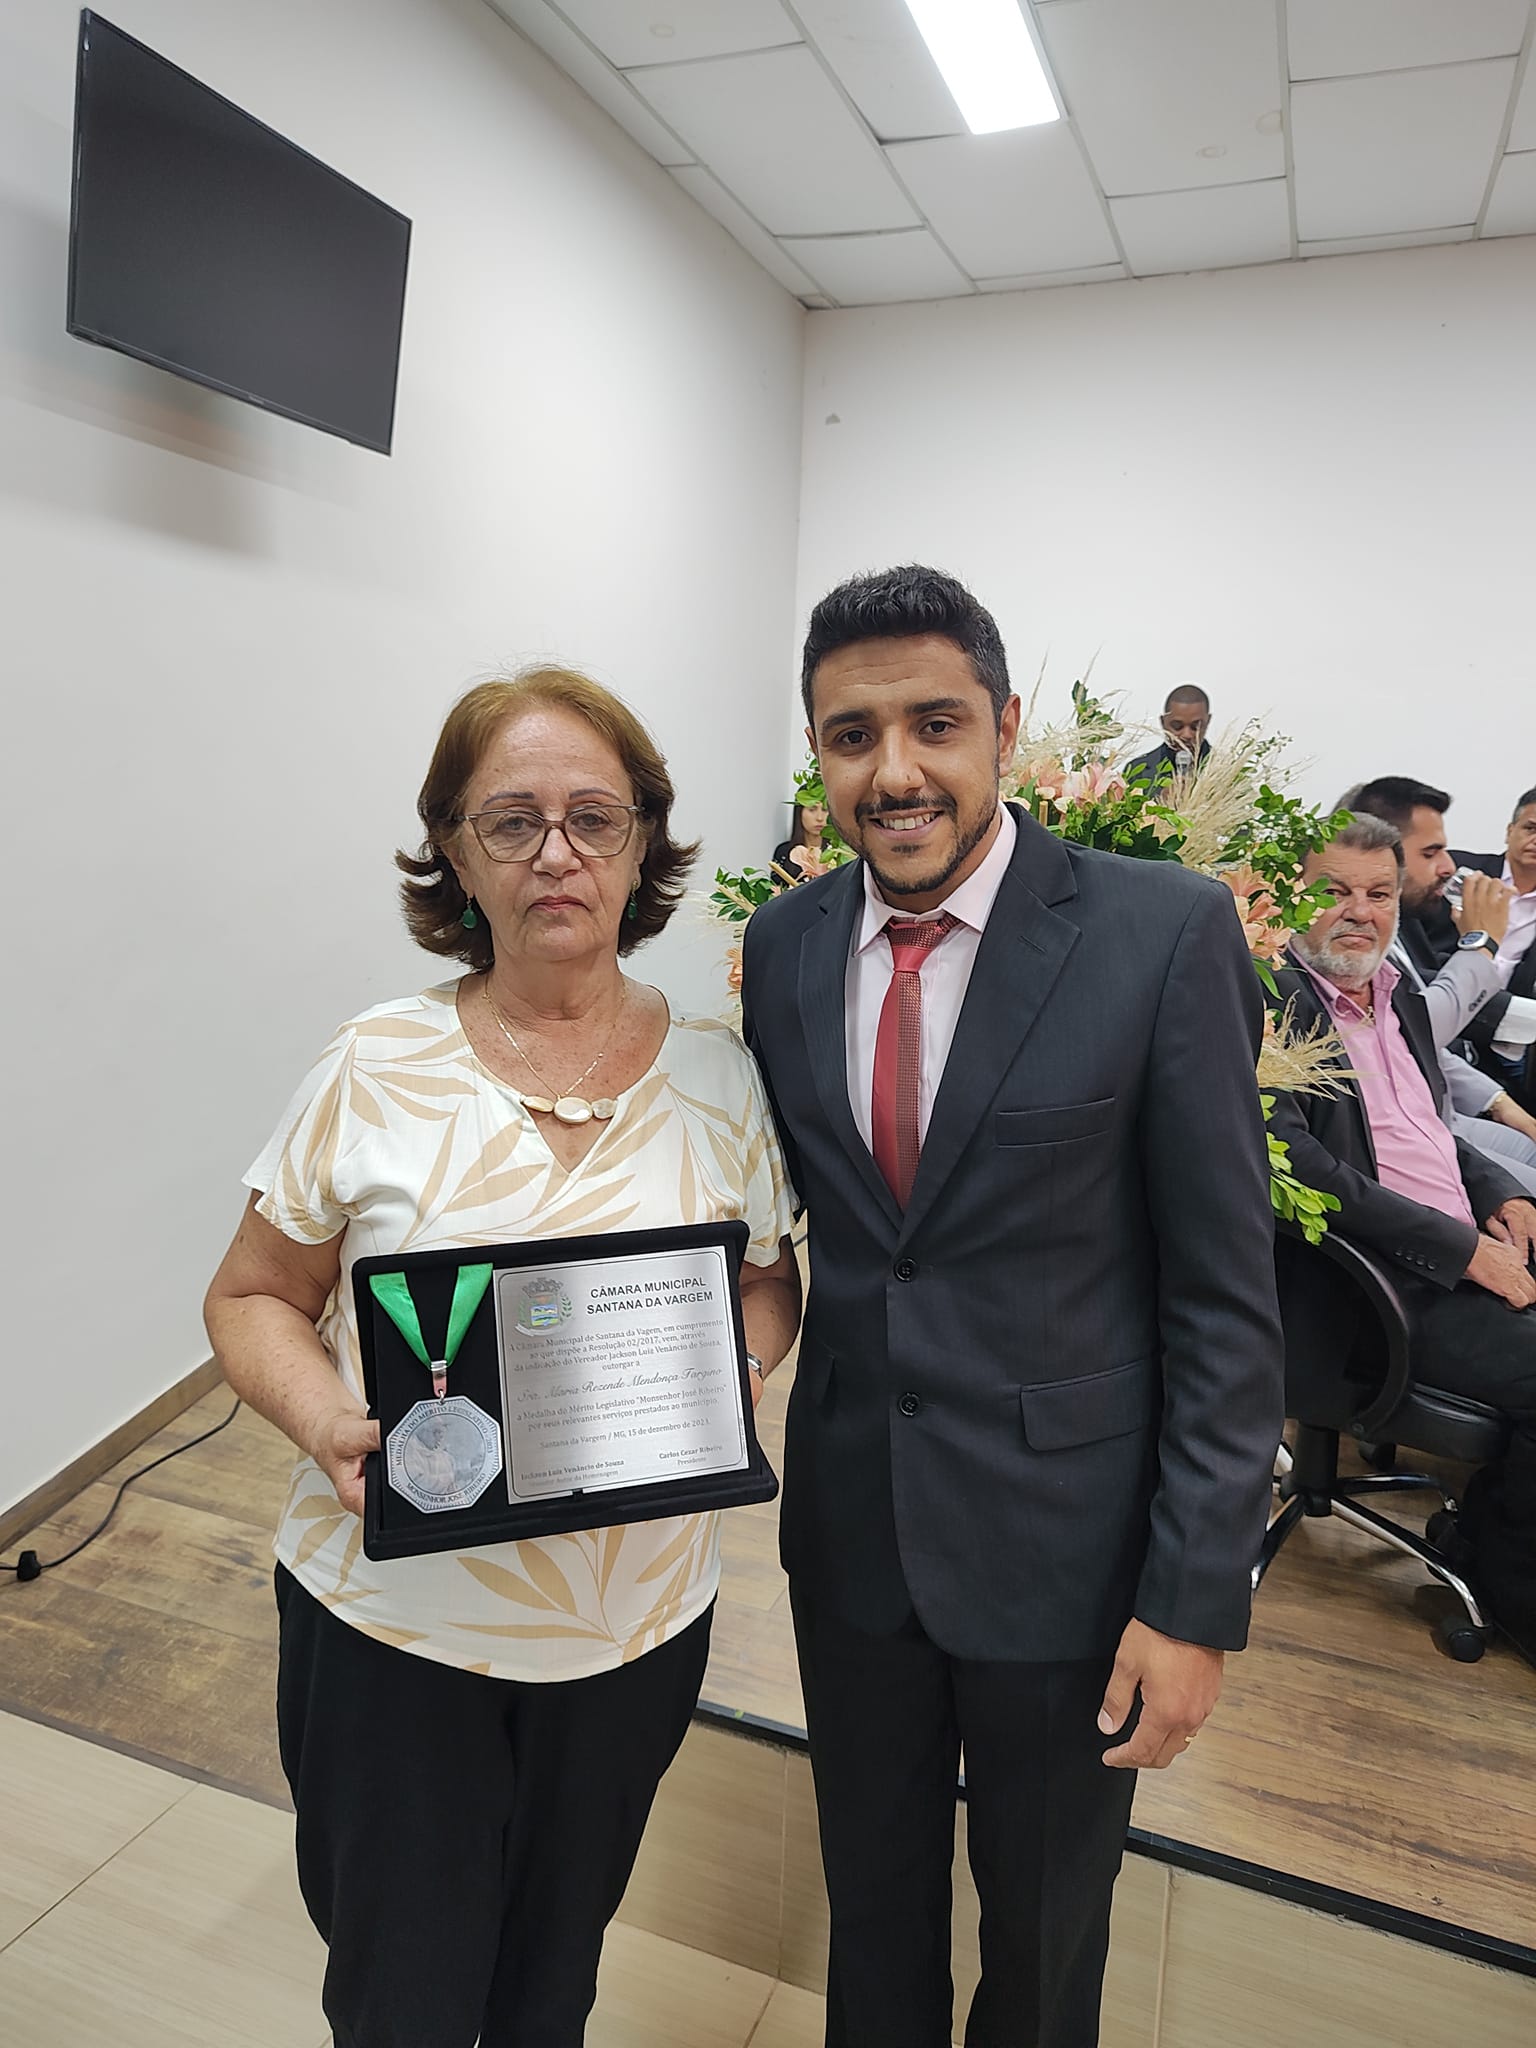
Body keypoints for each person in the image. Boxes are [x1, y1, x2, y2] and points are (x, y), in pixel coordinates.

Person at [204, 668, 801, 2048]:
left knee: (552, 1986)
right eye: (512, 820)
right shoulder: (372, 1064)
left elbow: (767, 1279)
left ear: (642, 843)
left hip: (633, 1632)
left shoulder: (722, 1074)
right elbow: (251, 1295)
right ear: (457, 853)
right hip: (397, 1628)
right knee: (400, 2001)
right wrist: (326, 1420)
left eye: (594, 817)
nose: (557, 853)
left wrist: (731, 1372)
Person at [740, 566, 1283, 2048]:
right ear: (816, 748)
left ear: (1006, 726)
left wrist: (1193, 1597)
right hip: (854, 1534)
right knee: (872, 1911)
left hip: (1070, 1556)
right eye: (852, 735)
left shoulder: (1161, 933)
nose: (894, 771)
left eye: (935, 724)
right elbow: (800, 1225)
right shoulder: (786, 948)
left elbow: (1226, 1301)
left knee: (1044, 1941)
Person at [1267, 814, 1536, 1661]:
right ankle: (1516, 1594)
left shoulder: (1397, 994)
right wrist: (1464, 1253)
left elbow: (1431, 1126)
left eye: (1380, 893)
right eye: (1336, 892)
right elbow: (1302, 1169)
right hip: (1369, 1288)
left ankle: (1477, 1538)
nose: (1361, 911)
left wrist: (1499, 1192)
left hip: (1455, 1248)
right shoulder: (1266, 1000)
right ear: (1290, 897)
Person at [1344, 778, 1536, 1187]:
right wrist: (1481, 944)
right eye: (1430, 853)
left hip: (1448, 1103)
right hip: (1410, 1132)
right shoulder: (1348, 940)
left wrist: (1500, 1103)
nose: (1448, 866)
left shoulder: (1404, 922)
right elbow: (1415, 1032)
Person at [1452, 786, 1536, 1111]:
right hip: (1447, 1008)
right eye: (1530, 828)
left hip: (1507, 1036)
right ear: (1509, 831)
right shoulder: (1461, 872)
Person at [1125, 684, 1211, 784]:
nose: (1187, 735)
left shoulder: (1224, 768)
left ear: (1208, 721)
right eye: (1177, 726)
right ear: (1163, 722)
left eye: (1196, 727)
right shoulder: (1138, 770)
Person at [772, 796, 829, 877]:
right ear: (799, 812)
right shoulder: (784, 852)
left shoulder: (839, 852)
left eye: (825, 810)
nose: (819, 818)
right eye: (812, 809)